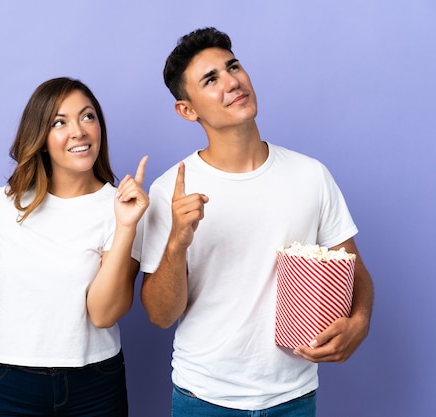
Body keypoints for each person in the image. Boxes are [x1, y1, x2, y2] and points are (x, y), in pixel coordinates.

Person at [140, 27, 374, 416]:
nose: (231, 81)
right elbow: (161, 316)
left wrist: (360, 321)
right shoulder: (170, 191)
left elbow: (354, 269)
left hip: (293, 398)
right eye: (211, 79)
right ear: (188, 109)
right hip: (204, 397)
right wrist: (177, 243)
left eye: (233, 67)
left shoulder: (310, 174)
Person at [0, 77, 149, 417]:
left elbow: (104, 314)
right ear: (40, 138)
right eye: (59, 122)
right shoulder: (5, 204)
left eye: (88, 117)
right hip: (11, 382)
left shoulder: (125, 206)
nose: (79, 131)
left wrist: (126, 226)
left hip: (95, 382)